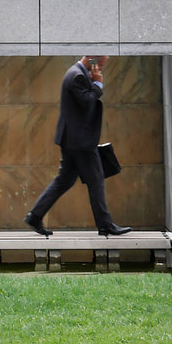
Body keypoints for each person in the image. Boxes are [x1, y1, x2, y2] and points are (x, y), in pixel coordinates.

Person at [24, 56, 131, 237]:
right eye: (102, 65)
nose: (102, 69)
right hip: (79, 141)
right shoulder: (76, 76)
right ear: (93, 61)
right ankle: (105, 225)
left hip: (73, 139)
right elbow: (87, 100)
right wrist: (98, 84)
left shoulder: (78, 73)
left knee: (64, 180)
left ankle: (35, 216)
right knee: (96, 180)